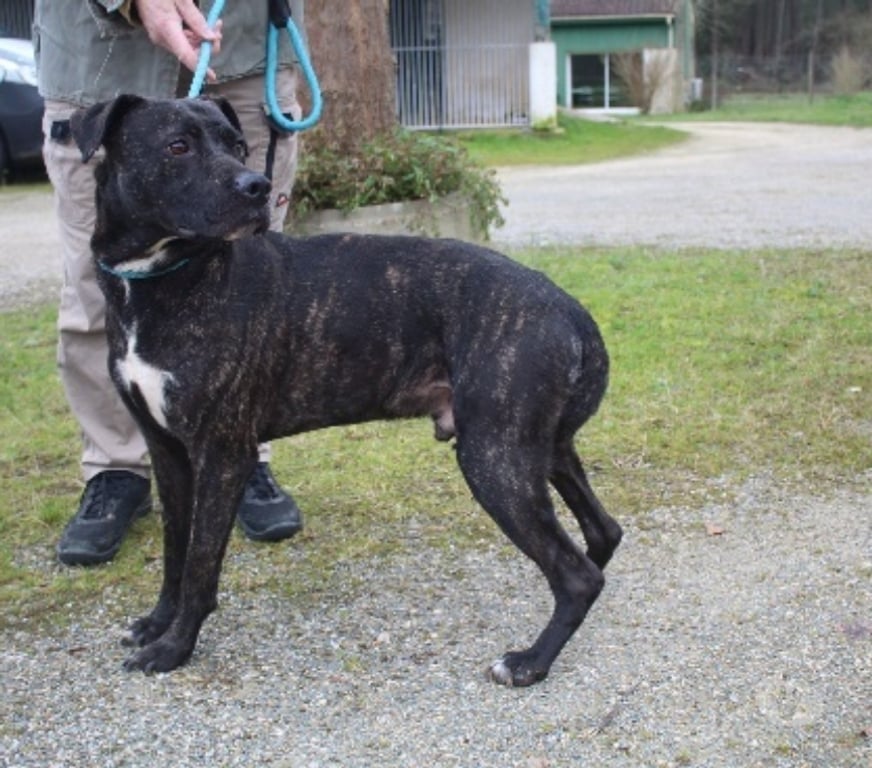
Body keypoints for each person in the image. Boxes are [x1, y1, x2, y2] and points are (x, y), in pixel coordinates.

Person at [34, 0, 306, 566]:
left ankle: (240, 454)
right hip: (102, 61)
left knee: (250, 286)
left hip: (247, 56)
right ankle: (117, 469)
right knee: (96, 291)